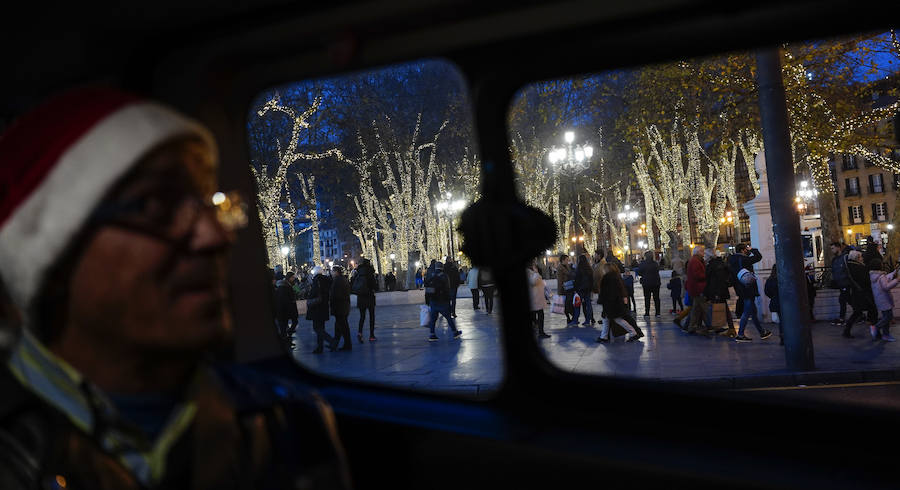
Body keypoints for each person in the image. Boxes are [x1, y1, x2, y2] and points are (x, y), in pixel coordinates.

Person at [0, 88, 349, 488]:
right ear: (50, 257)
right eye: (153, 205)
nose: (216, 236)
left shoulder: (291, 424)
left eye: (211, 204)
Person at [728, 244, 772, 343]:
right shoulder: (744, 259)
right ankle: (740, 334)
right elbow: (758, 257)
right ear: (743, 250)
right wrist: (752, 249)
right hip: (748, 288)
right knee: (747, 311)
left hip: (739, 288)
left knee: (753, 311)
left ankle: (762, 332)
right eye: (746, 249)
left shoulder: (731, 260)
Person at [596, 264, 640, 343]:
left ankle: (633, 333)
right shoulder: (615, 277)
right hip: (614, 302)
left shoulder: (608, 278)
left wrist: (604, 300)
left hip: (611, 303)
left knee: (617, 319)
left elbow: (608, 292)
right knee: (607, 318)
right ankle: (604, 336)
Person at [842, 250, 877, 338]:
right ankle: (876, 331)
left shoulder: (849, 267)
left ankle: (847, 330)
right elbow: (866, 281)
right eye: (861, 257)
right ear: (857, 258)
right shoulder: (859, 267)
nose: (862, 258)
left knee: (857, 312)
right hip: (863, 293)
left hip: (856, 293)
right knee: (872, 309)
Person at [703, 250, 736, 337]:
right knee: (724, 308)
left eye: (705, 255)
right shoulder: (719, 263)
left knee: (719, 308)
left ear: (709, 256)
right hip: (720, 291)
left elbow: (714, 281)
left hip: (717, 291)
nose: (704, 257)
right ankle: (729, 327)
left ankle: (721, 328)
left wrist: (715, 293)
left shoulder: (714, 265)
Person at [426, 262, 462, 341]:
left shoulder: (430, 275)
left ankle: (432, 334)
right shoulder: (444, 276)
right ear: (442, 267)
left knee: (433, 319)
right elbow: (447, 288)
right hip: (443, 300)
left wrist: (428, 301)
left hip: (433, 300)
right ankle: (455, 332)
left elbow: (427, 288)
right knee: (448, 317)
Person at [868, 256, 899, 342]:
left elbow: (886, 279)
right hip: (885, 299)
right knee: (888, 317)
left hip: (879, 299)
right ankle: (876, 327)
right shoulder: (881, 276)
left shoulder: (874, 275)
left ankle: (886, 335)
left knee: (886, 316)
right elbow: (886, 286)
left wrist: (893, 273)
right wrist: (897, 280)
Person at [307, 266, 336, 353]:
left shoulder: (317, 281)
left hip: (317, 307)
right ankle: (320, 347)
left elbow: (313, 294)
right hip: (324, 307)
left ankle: (331, 341)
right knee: (321, 328)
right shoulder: (326, 280)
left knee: (317, 328)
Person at [352, 257, 377, 342]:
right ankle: (371, 335)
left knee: (362, 317)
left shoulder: (358, 273)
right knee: (371, 317)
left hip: (361, 297)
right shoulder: (370, 273)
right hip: (369, 297)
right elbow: (375, 286)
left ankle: (360, 332)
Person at [685, 246, 709, 334]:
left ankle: (691, 326)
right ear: (698, 252)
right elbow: (697, 275)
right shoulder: (695, 261)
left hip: (696, 287)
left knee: (696, 308)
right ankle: (709, 325)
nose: (704, 253)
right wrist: (706, 275)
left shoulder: (695, 260)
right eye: (702, 251)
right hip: (698, 288)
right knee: (702, 308)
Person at [330, 265, 352, 351]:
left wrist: (332, 302)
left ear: (336, 272)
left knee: (343, 327)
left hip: (340, 307)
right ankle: (335, 344)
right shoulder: (342, 280)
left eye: (332, 271)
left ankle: (347, 344)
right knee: (339, 326)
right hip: (343, 307)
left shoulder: (338, 281)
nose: (331, 273)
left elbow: (336, 295)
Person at [527, 261, 551, 339]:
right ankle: (541, 332)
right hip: (535, 298)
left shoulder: (532, 273)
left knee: (538, 315)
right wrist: (536, 273)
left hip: (537, 298)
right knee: (539, 315)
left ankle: (540, 331)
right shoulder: (531, 273)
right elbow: (532, 282)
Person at [830, 242, 850, 324]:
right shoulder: (835, 260)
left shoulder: (845, 257)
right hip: (841, 283)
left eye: (833, 248)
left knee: (843, 300)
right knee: (847, 300)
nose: (832, 250)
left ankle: (842, 318)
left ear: (838, 248)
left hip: (845, 283)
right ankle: (859, 315)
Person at [275, 271, 300, 340]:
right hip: (286, 309)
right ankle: (286, 338)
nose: (294, 279)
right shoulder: (284, 287)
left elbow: (297, 292)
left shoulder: (290, 285)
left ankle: (288, 336)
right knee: (285, 324)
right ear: (289, 278)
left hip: (289, 308)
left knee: (292, 322)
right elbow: (285, 299)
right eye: (293, 277)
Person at [636, 250, 661, 317]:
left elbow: (639, 272)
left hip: (646, 283)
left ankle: (647, 313)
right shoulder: (655, 263)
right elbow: (658, 270)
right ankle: (658, 313)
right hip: (656, 283)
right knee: (656, 298)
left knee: (647, 298)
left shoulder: (643, 264)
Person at [573, 254, 596, 326]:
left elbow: (576, 280)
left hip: (580, 289)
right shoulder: (589, 269)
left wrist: (575, 289)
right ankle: (588, 320)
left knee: (577, 305)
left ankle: (576, 320)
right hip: (588, 289)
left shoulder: (579, 269)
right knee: (588, 305)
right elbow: (592, 280)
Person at [765, 264, 783, 345]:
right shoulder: (782, 279)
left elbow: (767, 292)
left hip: (775, 302)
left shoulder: (770, 280)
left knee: (782, 322)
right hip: (784, 302)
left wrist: (773, 297)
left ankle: (782, 338)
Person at [557, 254, 575, 324]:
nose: (568, 261)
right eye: (567, 260)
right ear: (563, 260)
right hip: (563, 288)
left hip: (569, 287)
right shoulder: (559, 268)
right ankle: (568, 317)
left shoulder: (567, 266)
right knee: (566, 305)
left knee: (569, 303)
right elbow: (560, 280)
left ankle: (572, 317)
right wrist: (560, 290)